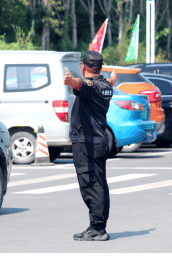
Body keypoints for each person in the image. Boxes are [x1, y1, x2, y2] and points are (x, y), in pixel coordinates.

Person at [63, 50, 116, 241]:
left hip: (88, 142)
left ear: (83, 67)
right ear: (100, 67)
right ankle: (97, 226)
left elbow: (82, 84)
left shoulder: (91, 85)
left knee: (91, 185)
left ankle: (98, 228)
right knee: (98, 183)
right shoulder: (106, 85)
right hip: (97, 140)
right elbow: (105, 83)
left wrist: (71, 81)